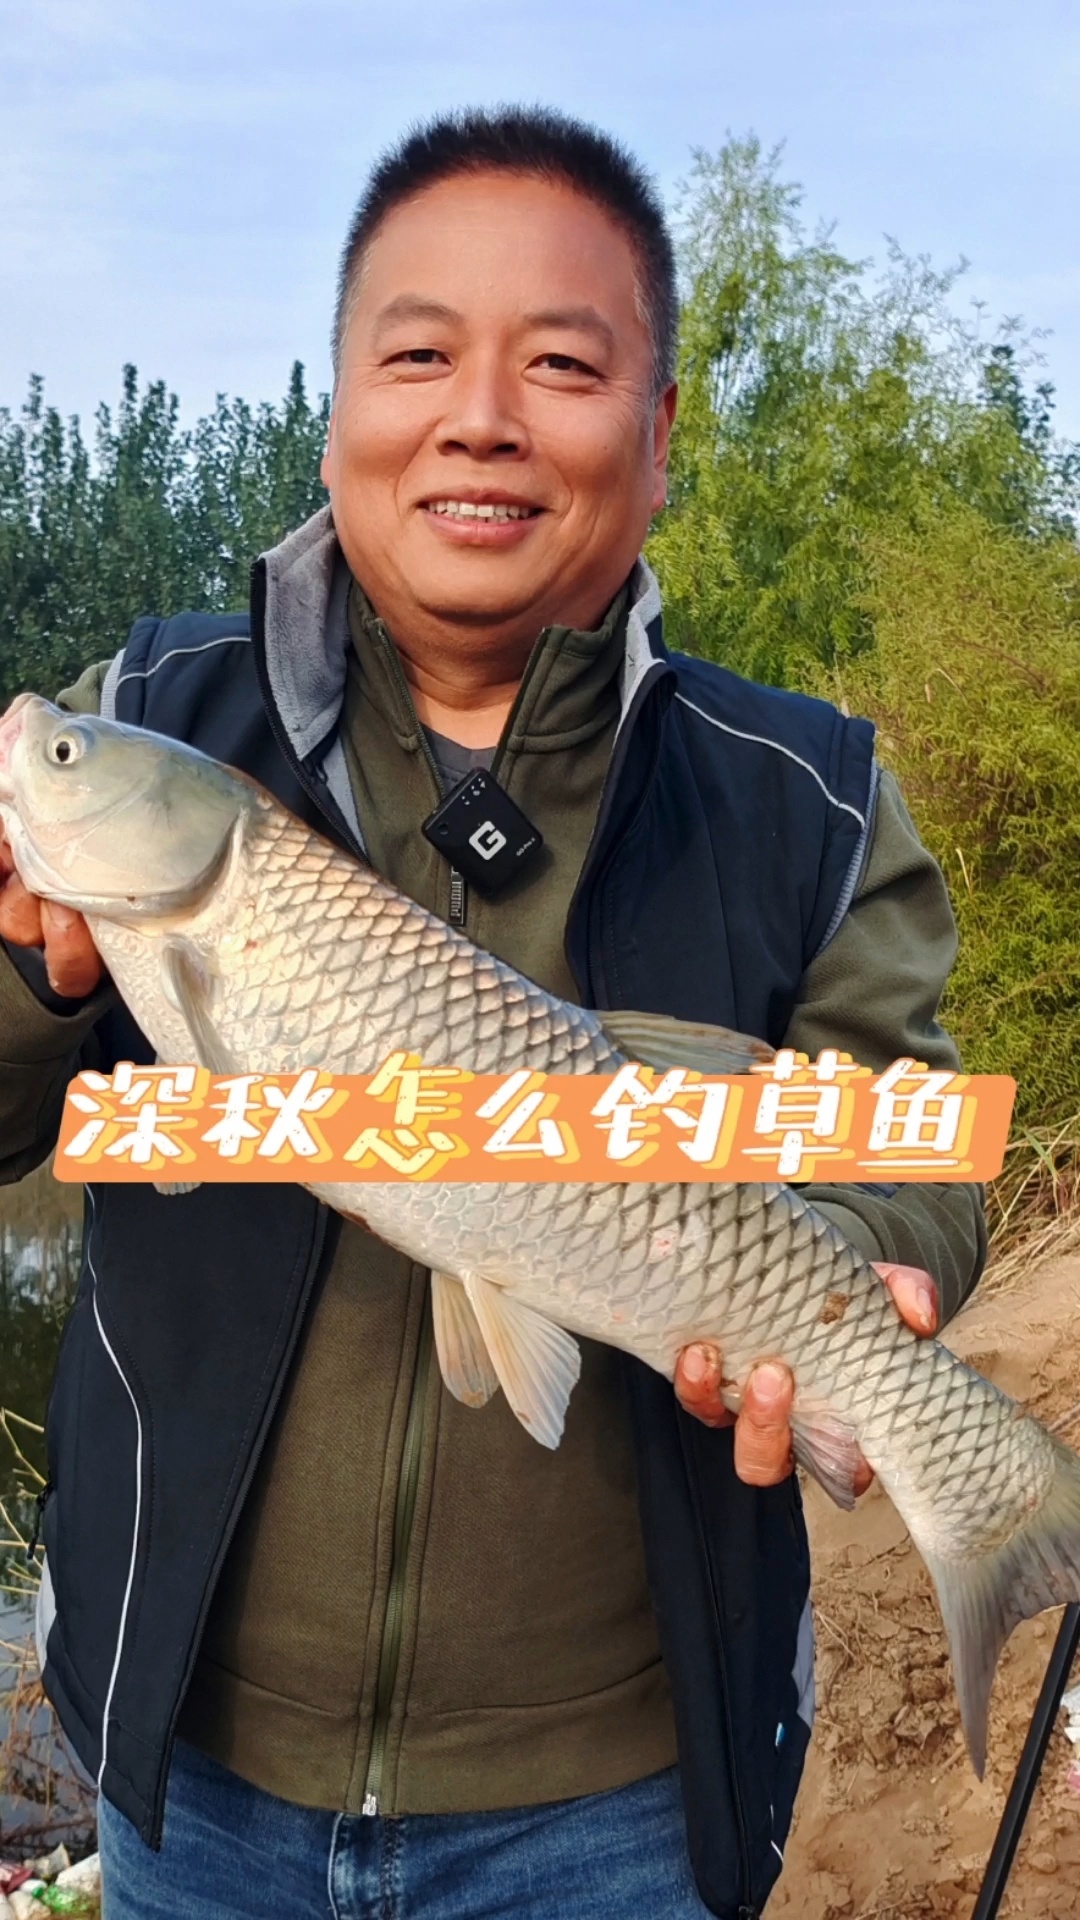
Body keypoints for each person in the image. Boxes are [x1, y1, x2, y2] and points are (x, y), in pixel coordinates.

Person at [0, 108, 985, 1920]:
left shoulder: (808, 795)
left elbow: (904, 1143)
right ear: (336, 411)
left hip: (615, 1803)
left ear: (662, 438)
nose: (481, 416)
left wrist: (857, 1254)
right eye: (420, 353)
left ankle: (992, 1502)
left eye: (560, 363)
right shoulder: (151, 713)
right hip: (193, 1775)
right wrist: (24, 976)